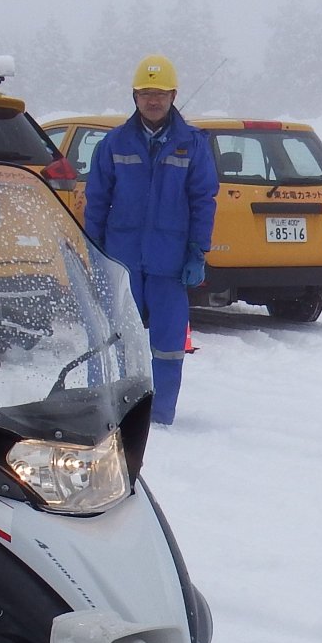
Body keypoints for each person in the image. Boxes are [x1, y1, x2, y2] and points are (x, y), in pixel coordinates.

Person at [81, 54, 218, 426]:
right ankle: (109, 411)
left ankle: (159, 418)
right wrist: (94, 252)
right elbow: (97, 200)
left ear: (173, 95)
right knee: (114, 340)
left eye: (159, 93)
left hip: (170, 262)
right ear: (134, 97)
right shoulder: (114, 143)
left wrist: (197, 251)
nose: (152, 101)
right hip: (121, 261)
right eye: (145, 93)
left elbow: (203, 199)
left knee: (169, 346)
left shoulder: (192, 144)